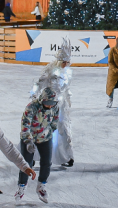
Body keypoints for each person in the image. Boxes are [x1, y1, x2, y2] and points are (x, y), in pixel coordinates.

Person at [30, 38, 74, 167]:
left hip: (60, 105)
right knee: (41, 128)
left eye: (68, 62)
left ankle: (65, 156)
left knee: (61, 129)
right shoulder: (50, 70)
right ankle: (33, 155)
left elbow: (66, 88)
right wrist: (34, 94)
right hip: (47, 104)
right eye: (64, 61)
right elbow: (39, 82)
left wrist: (67, 98)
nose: (66, 64)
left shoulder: (67, 72)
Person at [15, 86, 59, 203]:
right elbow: (25, 127)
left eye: (52, 103)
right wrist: (29, 141)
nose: (50, 106)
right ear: (42, 100)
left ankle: (41, 186)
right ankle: (21, 186)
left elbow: (55, 121)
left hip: (45, 138)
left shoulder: (55, 107)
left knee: (47, 162)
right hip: (29, 138)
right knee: (26, 164)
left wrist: (49, 132)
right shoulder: (31, 107)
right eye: (48, 103)